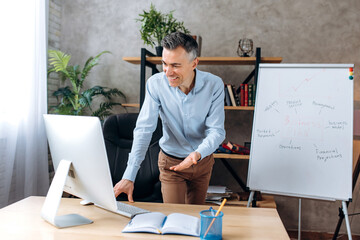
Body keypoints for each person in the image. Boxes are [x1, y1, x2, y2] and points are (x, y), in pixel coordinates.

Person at [114, 32, 225, 204]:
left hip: (201, 161)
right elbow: (144, 129)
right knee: (176, 217)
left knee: (195, 219)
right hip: (171, 163)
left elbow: (216, 131)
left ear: (194, 63)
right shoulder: (155, 84)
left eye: (175, 65)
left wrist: (197, 154)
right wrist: (130, 176)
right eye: (164, 64)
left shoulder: (214, 85)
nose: (168, 71)